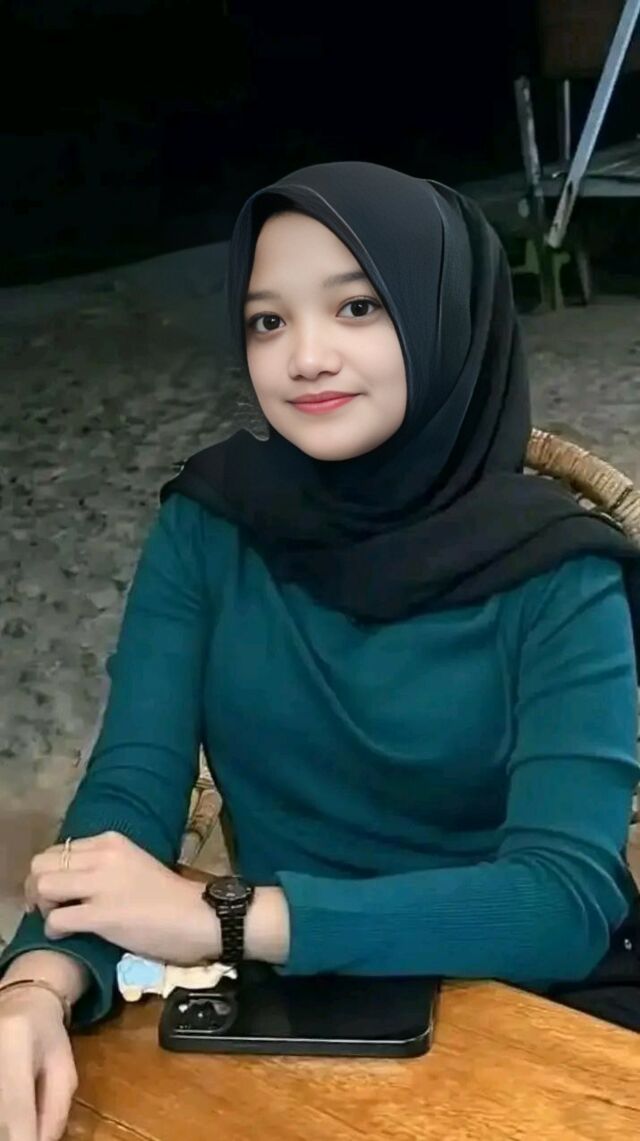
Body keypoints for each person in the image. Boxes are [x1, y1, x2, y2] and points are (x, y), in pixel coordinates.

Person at [1, 160, 639, 1138]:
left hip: (540, 1005)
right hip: (292, 1007)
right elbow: (130, 790)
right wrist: (37, 984)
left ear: (443, 319)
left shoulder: (561, 569)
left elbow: (560, 901)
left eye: (356, 308)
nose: (304, 356)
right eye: (268, 320)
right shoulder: (209, 524)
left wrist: (225, 916)